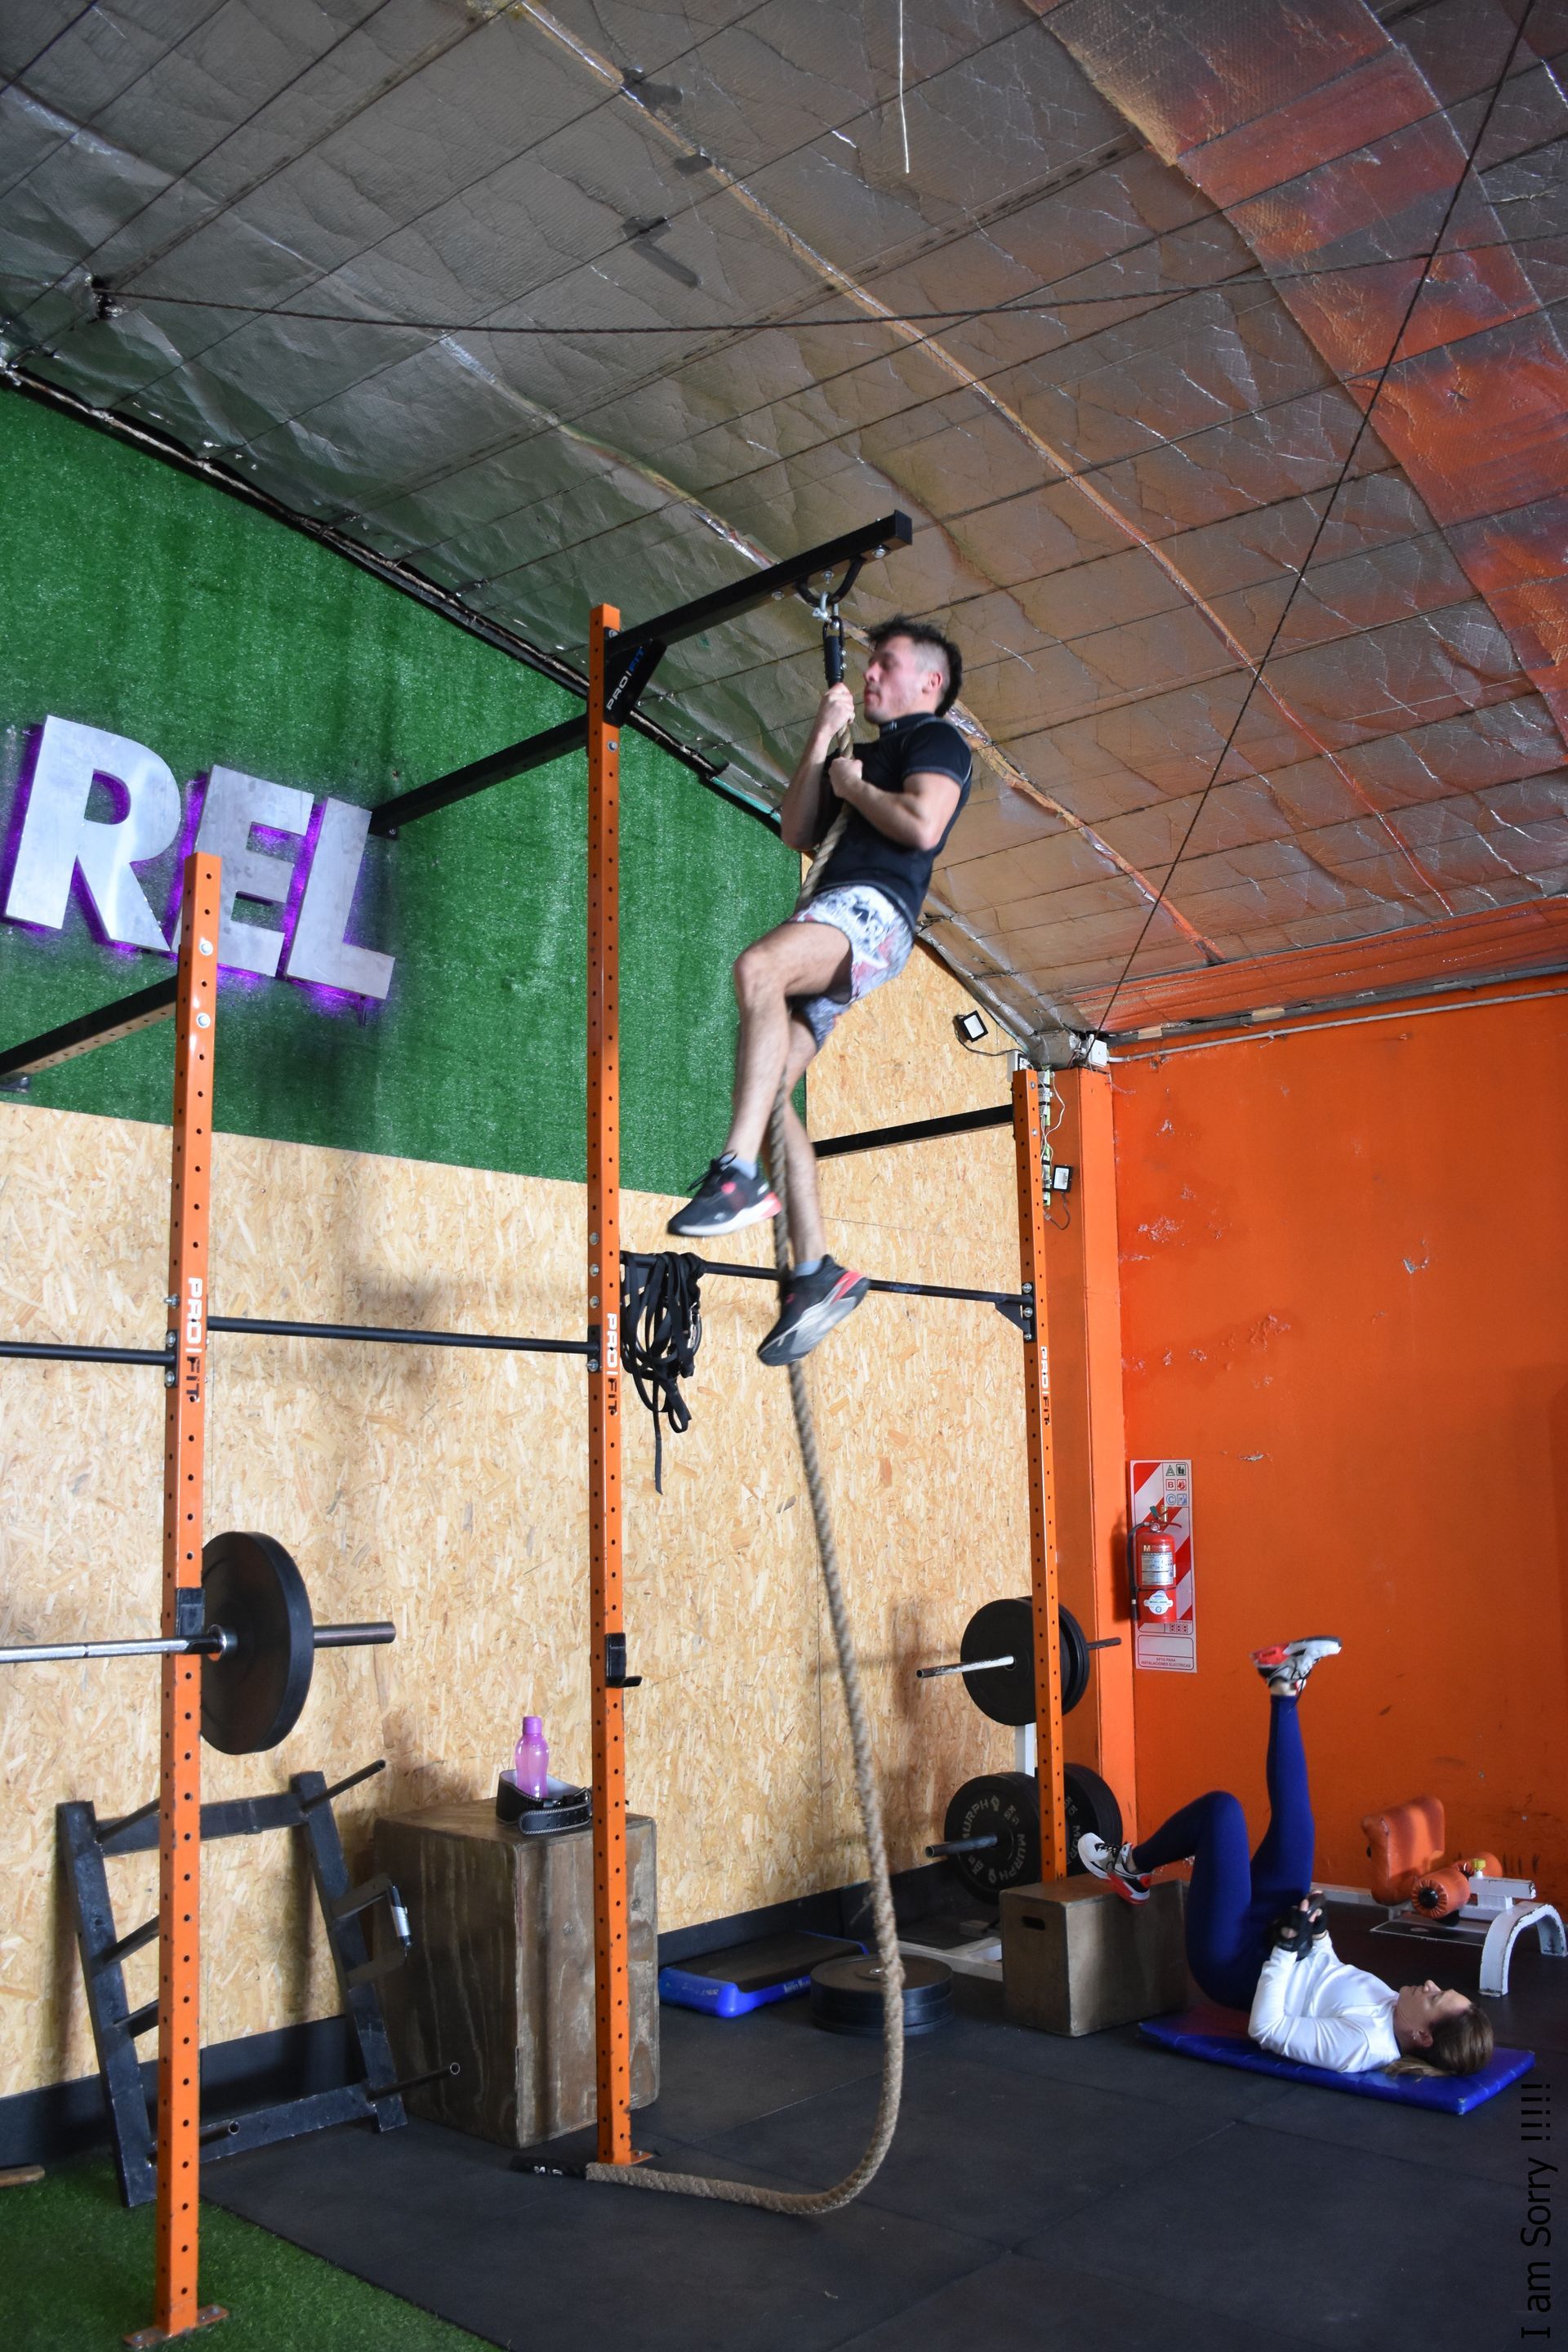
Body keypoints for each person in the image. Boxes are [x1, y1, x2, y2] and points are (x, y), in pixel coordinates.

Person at [667, 616, 972, 1366]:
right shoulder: (858, 755)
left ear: (928, 683)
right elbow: (797, 829)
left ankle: (736, 1174)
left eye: (887, 665)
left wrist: (856, 784)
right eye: (867, 666)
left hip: (868, 912)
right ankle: (815, 1272)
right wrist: (824, 739)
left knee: (758, 970)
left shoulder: (936, 742)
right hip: (837, 918)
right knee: (772, 1096)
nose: (870, 676)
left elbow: (922, 825)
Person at [1080, 1638, 1494, 2078]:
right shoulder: (1395, 2007)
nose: (1430, 1986)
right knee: (1299, 1825)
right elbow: (1328, 1976)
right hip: (1279, 1942)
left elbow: (1267, 2028)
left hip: (1233, 1965)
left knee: (1222, 1812)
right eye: (1440, 1989)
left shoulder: (1362, 2045)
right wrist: (1315, 1935)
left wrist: (1283, 1949)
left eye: (1434, 1999)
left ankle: (1129, 1867)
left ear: (1423, 2037)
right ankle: (1283, 1687)